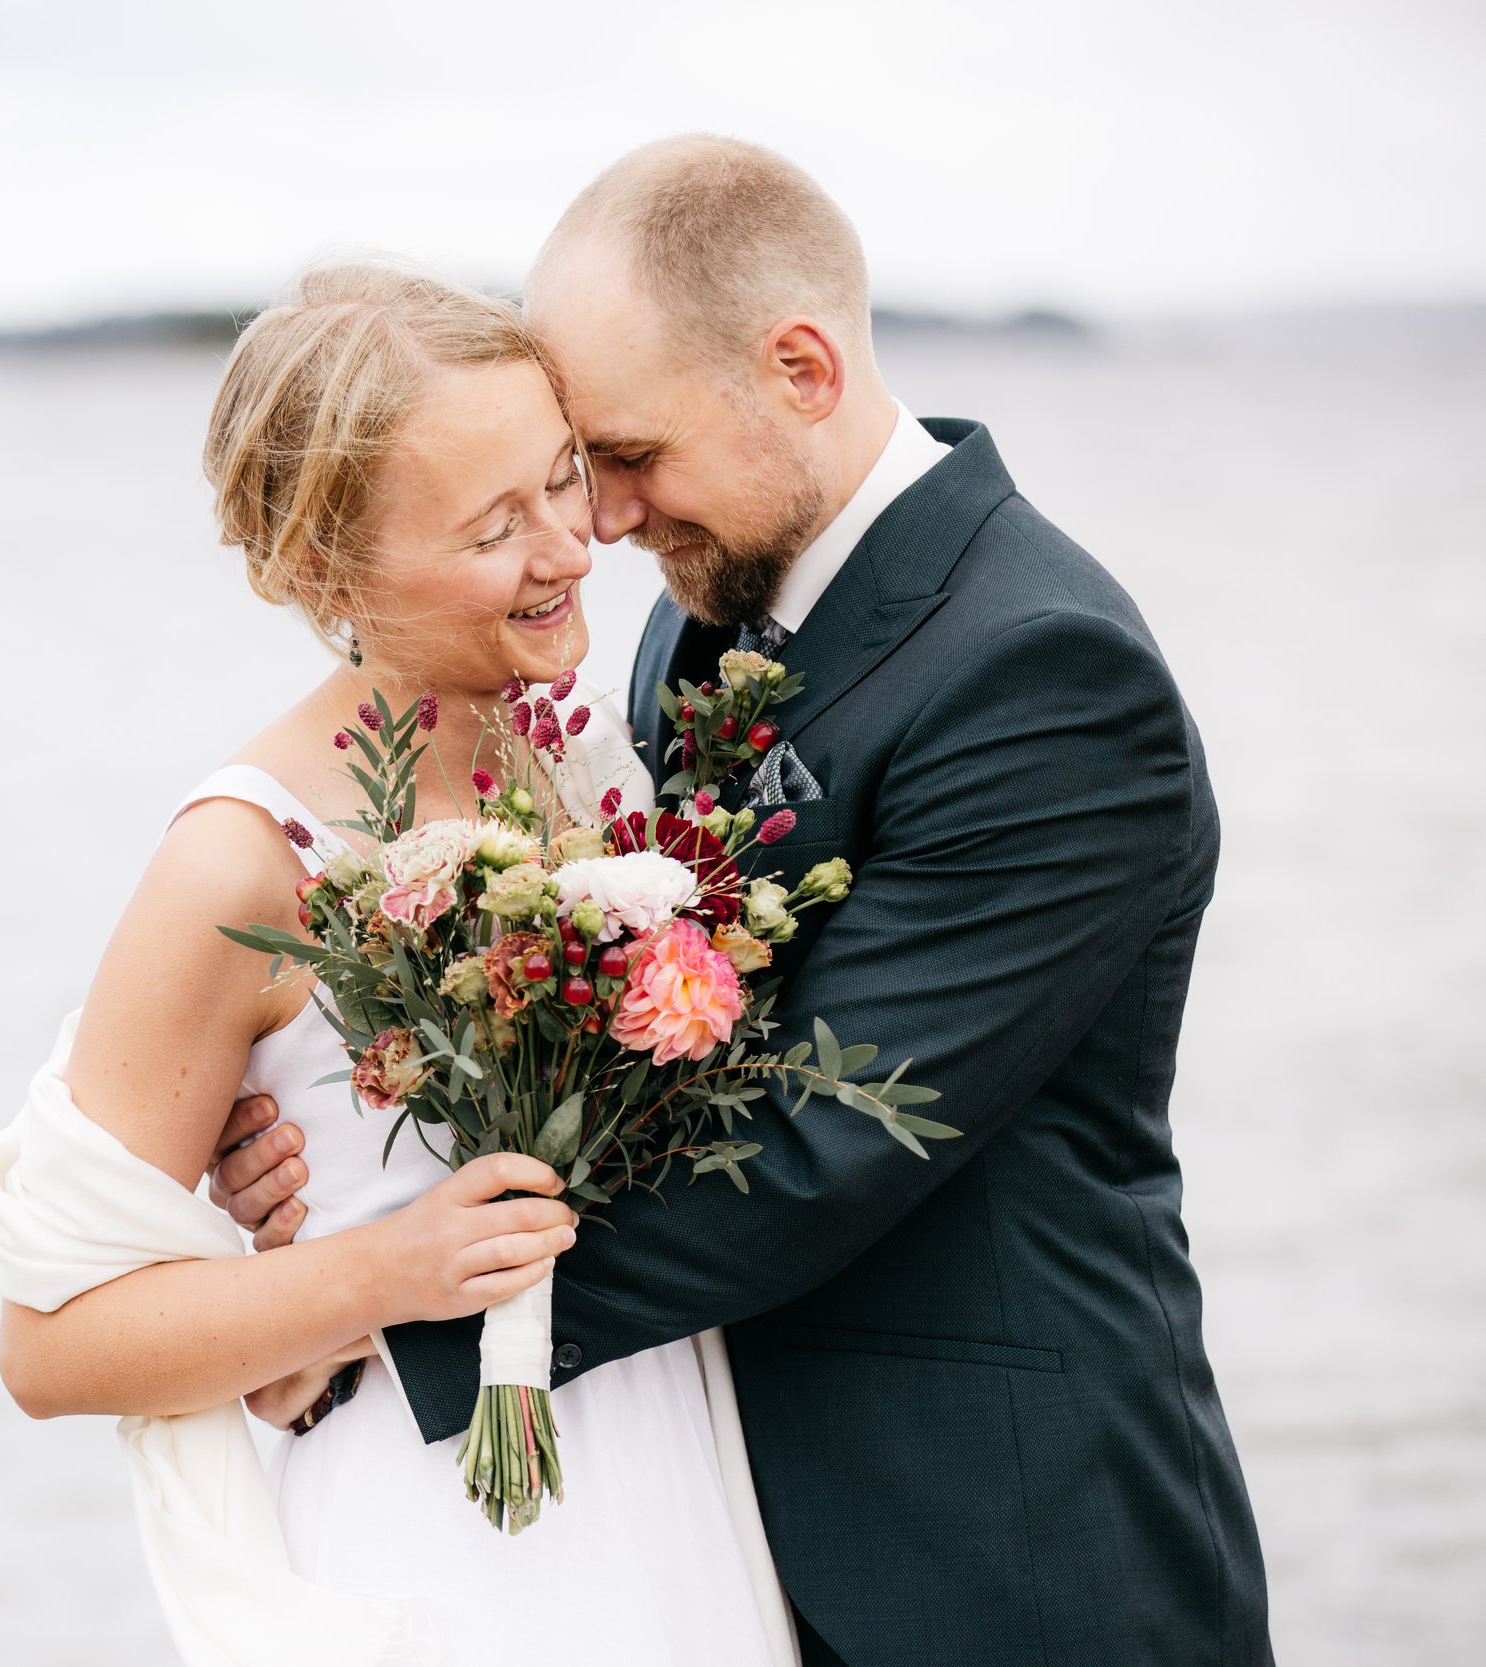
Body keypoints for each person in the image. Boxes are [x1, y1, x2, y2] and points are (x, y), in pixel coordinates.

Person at [218, 137, 1273, 1667]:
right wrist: (340, 1131)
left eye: (631, 456)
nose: (614, 520)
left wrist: (354, 1317)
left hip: (1012, 1557)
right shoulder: (689, 636)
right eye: (586, 465)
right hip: (724, 1541)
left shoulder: (1044, 671)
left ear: (799, 367)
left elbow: (810, 1148)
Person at [0, 263, 792, 1666]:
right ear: (321, 571)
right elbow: (53, 1347)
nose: (569, 549)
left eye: (563, 480)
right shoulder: (243, 860)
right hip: (444, 1536)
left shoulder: (587, 758)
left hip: (669, 1486)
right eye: (495, 526)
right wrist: (380, 1276)